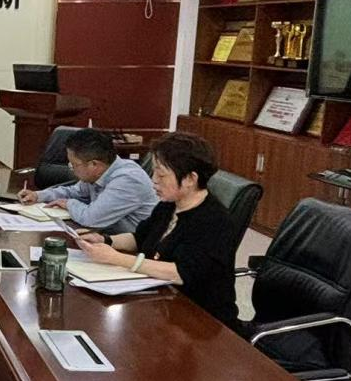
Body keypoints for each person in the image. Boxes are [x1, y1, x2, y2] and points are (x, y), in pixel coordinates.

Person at [76, 132, 238, 326]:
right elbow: (140, 238)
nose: (154, 180)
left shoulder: (214, 221)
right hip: (161, 303)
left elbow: (180, 273)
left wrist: (116, 258)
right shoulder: (168, 205)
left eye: (161, 175)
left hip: (202, 320)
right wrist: (105, 240)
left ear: (190, 179)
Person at [18, 128, 158, 234]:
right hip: (106, 237)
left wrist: (69, 204)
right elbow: (74, 192)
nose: (71, 168)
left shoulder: (128, 180)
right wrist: (39, 195)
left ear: (94, 164)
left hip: (134, 250)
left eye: (74, 164)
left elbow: (91, 218)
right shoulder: (97, 173)